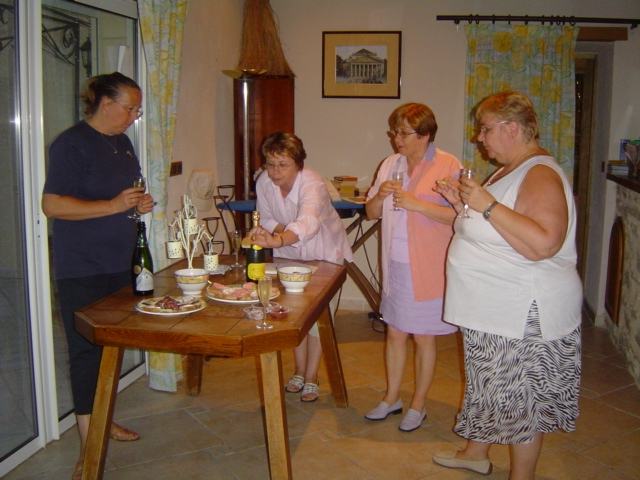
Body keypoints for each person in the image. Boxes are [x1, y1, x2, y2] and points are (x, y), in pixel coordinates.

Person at [433, 90, 582, 478]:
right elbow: (504, 232)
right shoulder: (510, 169)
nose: (479, 137)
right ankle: (474, 453)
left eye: (485, 129)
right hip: (496, 310)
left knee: (521, 404)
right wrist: (462, 206)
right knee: (492, 391)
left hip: (521, 313)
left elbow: (544, 243)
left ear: (512, 128)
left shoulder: (540, 173)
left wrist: (486, 204)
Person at [42, 72, 154, 480]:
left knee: (112, 348)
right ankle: (89, 448)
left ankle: (103, 421)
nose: (134, 116)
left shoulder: (122, 143)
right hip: (82, 268)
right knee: (86, 352)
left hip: (120, 262)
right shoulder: (71, 144)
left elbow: (124, 195)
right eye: (130, 108)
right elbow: (52, 205)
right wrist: (112, 205)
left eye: (137, 110)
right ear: (106, 103)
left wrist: (138, 203)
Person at [364, 103, 461, 432]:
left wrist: (418, 205)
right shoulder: (390, 164)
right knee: (394, 331)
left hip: (428, 265)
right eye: (395, 132)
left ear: (426, 135)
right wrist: (380, 196)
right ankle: (392, 398)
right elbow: (371, 213)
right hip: (396, 262)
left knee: (423, 337)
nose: (397, 139)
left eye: (404, 133)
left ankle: (419, 404)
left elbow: (461, 217)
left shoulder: (448, 164)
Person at [248, 132, 353, 402]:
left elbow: (308, 222)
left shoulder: (312, 182)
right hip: (287, 251)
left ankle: (311, 376)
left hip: (323, 252)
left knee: (318, 317)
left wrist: (280, 238)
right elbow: (265, 217)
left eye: (283, 165)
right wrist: (282, 236)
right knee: (294, 314)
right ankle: (298, 371)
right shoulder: (264, 181)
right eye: (270, 164)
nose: (275, 172)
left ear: (298, 163)